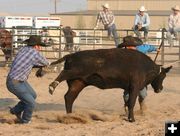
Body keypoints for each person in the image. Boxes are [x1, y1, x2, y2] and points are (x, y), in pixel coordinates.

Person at [6, 35, 50, 124]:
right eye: (39, 46)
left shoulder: (23, 49)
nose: (40, 48)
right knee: (31, 103)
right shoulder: (35, 53)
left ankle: (16, 110)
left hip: (16, 79)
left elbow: (28, 62)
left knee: (33, 95)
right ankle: (25, 121)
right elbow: (46, 62)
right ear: (36, 46)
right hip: (15, 82)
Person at [118, 37, 160, 113]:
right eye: (127, 46)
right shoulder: (121, 53)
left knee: (142, 94)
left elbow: (149, 47)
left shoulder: (141, 49)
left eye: (131, 46)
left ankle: (142, 103)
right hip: (128, 77)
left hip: (140, 76)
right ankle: (127, 105)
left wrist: (155, 49)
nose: (129, 47)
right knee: (127, 94)